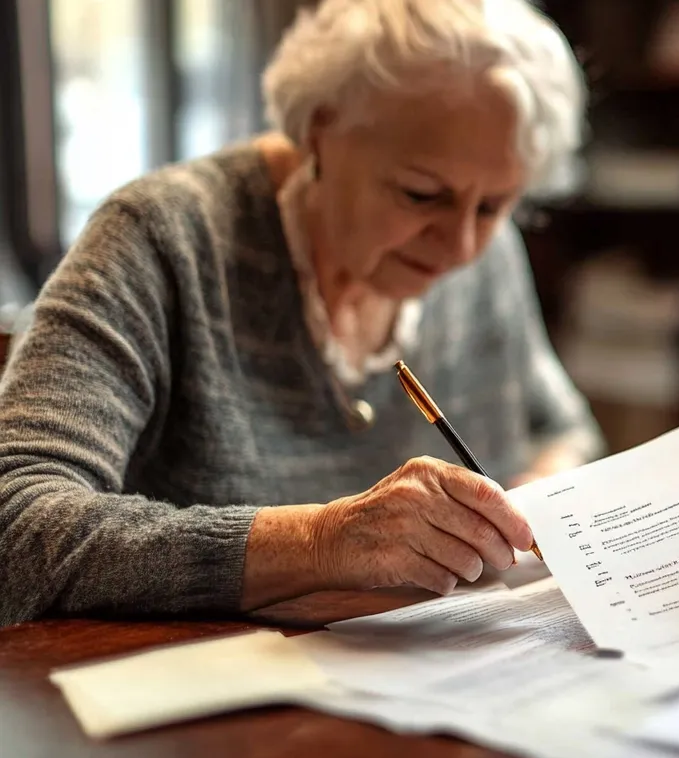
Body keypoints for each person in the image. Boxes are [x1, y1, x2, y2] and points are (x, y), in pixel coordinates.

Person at [0, 0, 603, 627]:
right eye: (422, 194)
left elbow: (562, 428)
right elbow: (14, 524)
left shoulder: (486, 254)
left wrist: (535, 495)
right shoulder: (161, 241)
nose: (460, 249)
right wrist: (322, 541)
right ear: (321, 129)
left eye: (495, 205)